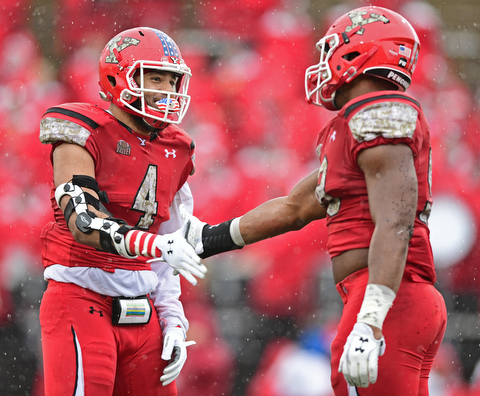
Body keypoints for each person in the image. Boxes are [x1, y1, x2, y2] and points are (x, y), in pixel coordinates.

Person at [173, 6, 448, 395]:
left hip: (389, 297)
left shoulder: (379, 114)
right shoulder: (353, 125)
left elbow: (395, 222)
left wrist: (370, 320)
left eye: (332, 50)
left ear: (360, 53)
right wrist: (208, 238)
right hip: (393, 297)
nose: (323, 62)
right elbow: (296, 206)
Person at [38, 27, 207, 396]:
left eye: (171, 80)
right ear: (118, 76)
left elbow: (169, 249)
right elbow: (83, 221)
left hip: (142, 307)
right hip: (81, 295)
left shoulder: (176, 149)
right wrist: (157, 247)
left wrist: (173, 319)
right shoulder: (82, 129)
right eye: (154, 77)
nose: (165, 90)